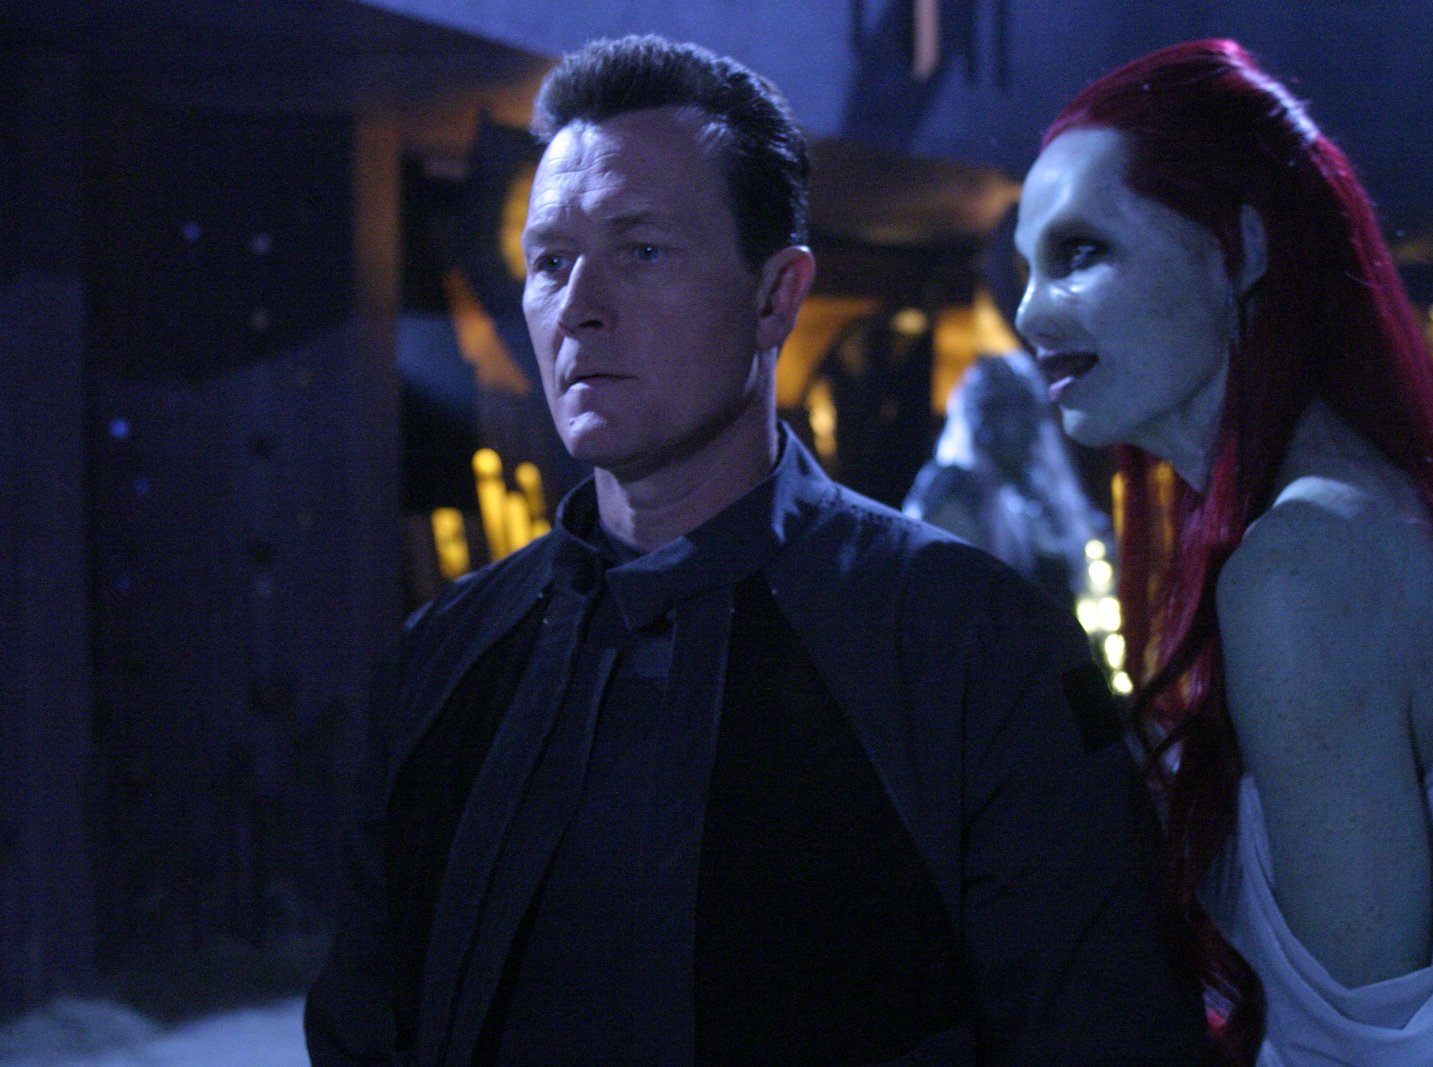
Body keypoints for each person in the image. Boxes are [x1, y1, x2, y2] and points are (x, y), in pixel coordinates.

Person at [305, 35, 1206, 1066]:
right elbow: (361, 1025)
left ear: (776, 295)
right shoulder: (444, 660)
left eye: (642, 251)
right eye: (550, 261)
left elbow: (1099, 1032)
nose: (579, 306)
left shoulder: (971, 648)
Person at [1012, 39, 1433, 1066]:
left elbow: (1369, 1048)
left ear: (1239, 248)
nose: (1028, 313)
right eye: (1027, 265)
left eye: (1080, 252)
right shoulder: (1354, 513)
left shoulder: (1298, 562)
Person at [903, 351, 1107, 608]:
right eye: (1011, 409)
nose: (1028, 427)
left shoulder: (1037, 494)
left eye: (1030, 410)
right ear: (982, 418)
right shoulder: (953, 491)